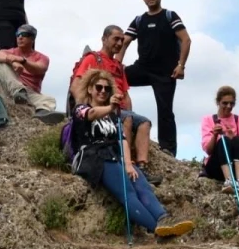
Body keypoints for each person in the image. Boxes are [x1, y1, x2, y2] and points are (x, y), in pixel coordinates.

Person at [70, 70, 194, 239]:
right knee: (128, 192)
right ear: (90, 89)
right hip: (94, 157)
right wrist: (110, 107)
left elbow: (122, 140)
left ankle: (163, 218)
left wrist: (128, 163)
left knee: (141, 183)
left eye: (107, 89)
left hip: (114, 156)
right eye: (98, 87)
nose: (102, 91)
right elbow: (90, 115)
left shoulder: (112, 116)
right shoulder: (80, 108)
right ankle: (156, 229)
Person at [73, 25, 158, 182]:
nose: (119, 43)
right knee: (126, 118)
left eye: (121, 40)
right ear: (104, 39)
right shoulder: (92, 59)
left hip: (120, 108)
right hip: (102, 108)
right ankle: (123, 161)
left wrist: (131, 113)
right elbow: (77, 85)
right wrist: (83, 109)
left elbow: (125, 93)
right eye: (115, 39)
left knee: (144, 122)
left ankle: (142, 167)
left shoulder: (118, 66)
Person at [117, 0, 190, 157]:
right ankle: (110, 118)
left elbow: (186, 40)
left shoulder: (169, 16)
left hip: (165, 72)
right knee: (113, 79)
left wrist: (181, 66)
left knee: (165, 111)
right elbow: (125, 41)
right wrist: (116, 64)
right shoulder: (139, 20)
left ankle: (169, 151)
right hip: (143, 68)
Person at [0, 24, 64, 125]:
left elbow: (39, 68)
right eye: (18, 34)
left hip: (29, 94)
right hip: (9, 88)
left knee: (49, 100)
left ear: (32, 38)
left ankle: (42, 112)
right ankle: (19, 91)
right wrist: (12, 61)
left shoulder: (42, 57)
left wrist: (23, 61)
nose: (20, 37)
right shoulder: (12, 52)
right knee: (0, 63)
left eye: (24, 34)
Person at [200, 86, 239, 192]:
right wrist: (214, 136)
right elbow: (208, 150)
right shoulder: (208, 120)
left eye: (231, 103)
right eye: (225, 103)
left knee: (237, 140)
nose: (228, 106)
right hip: (217, 166)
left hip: (237, 166)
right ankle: (228, 180)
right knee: (223, 141)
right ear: (218, 102)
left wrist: (233, 138)